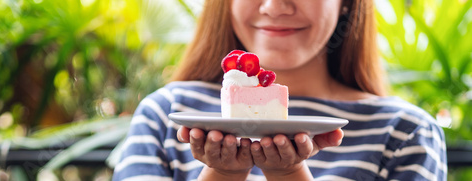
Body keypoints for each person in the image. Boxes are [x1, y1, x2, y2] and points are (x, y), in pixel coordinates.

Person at [113, 0, 447, 180]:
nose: (274, 6)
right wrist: (222, 174)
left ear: (347, 3)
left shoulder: (405, 132)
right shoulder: (166, 114)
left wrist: (289, 175)